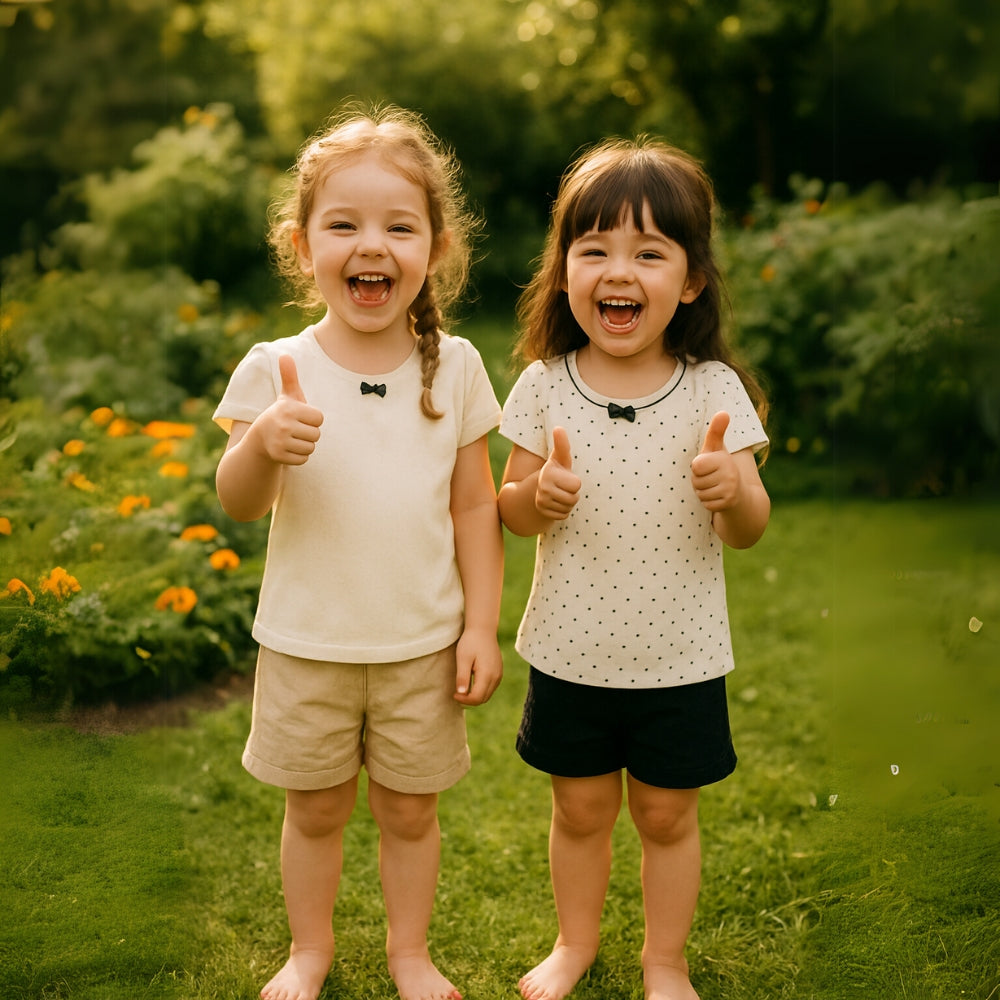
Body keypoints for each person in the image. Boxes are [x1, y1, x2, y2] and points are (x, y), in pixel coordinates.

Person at [214, 104, 504, 1000]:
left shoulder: (452, 367)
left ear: (435, 247)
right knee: (317, 809)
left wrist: (482, 629)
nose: (370, 244)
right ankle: (309, 952)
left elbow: (473, 506)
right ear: (303, 246)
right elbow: (237, 502)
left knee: (411, 813)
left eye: (397, 226)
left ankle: (409, 956)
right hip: (307, 645)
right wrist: (263, 444)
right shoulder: (276, 366)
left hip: (420, 644)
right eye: (343, 224)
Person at [498, 137, 770, 1000]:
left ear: (689, 280)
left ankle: (665, 961)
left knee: (665, 814)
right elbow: (507, 507)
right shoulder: (543, 385)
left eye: (649, 252)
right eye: (596, 250)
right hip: (572, 651)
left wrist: (734, 488)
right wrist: (535, 496)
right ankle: (573, 944)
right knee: (579, 811)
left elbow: (751, 529)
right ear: (566, 271)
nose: (620, 270)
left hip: (679, 659)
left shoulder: (711, 390)